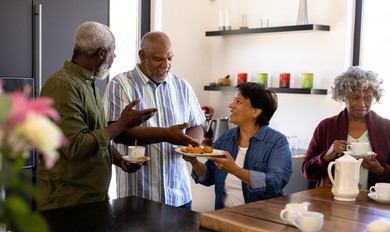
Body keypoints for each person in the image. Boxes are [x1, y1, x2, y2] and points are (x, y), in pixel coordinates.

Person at [37, 22, 157, 211]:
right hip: (67, 202)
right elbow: (76, 146)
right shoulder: (63, 86)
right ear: (101, 54)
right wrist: (122, 124)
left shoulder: (86, 83)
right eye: (113, 51)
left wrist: (119, 159)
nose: (114, 56)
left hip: (91, 199)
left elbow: (95, 135)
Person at [103, 31, 205, 210]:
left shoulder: (182, 86)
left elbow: (197, 124)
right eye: (159, 59)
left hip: (179, 195)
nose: (166, 65)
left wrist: (192, 142)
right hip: (138, 197)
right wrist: (166, 135)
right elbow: (118, 134)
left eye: (170, 58)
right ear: (142, 55)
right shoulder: (120, 85)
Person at [183, 82, 292, 210]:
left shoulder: (277, 142)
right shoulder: (225, 139)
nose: (230, 105)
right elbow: (208, 177)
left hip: (262, 219)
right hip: (225, 218)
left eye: (238, 102)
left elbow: (275, 183)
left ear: (255, 111)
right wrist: (194, 161)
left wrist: (235, 169)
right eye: (233, 100)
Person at [302, 66, 390, 189]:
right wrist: (327, 155)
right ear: (343, 97)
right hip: (331, 201)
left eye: (368, 98)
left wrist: (380, 170)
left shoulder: (386, 127)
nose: (362, 104)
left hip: (372, 203)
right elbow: (307, 172)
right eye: (355, 97)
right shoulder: (326, 126)